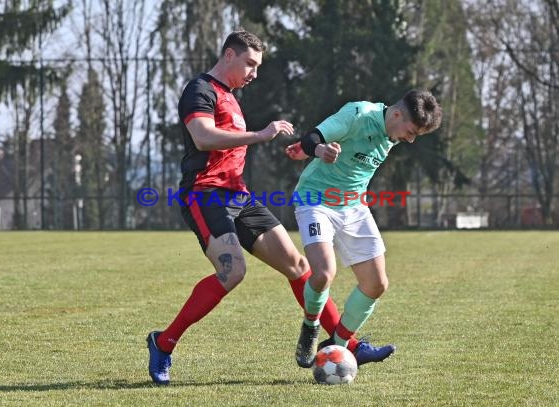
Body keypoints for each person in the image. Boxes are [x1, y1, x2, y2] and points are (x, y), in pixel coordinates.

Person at [146, 29, 376, 385]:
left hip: (239, 196)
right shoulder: (201, 90)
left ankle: (350, 344)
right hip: (204, 194)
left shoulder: (231, 97)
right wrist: (261, 134)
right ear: (228, 55)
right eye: (250, 63)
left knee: (299, 265)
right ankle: (163, 343)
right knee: (232, 272)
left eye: (257, 66)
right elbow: (203, 137)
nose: (253, 73)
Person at [286, 89, 442, 368]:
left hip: (354, 207)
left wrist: (302, 151)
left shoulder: (392, 131)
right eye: (411, 131)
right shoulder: (357, 114)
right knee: (323, 274)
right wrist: (320, 149)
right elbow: (312, 138)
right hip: (315, 200)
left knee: (377, 284)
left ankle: (338, 346)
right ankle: (310, 328)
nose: (411, 139)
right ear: (396, 114)